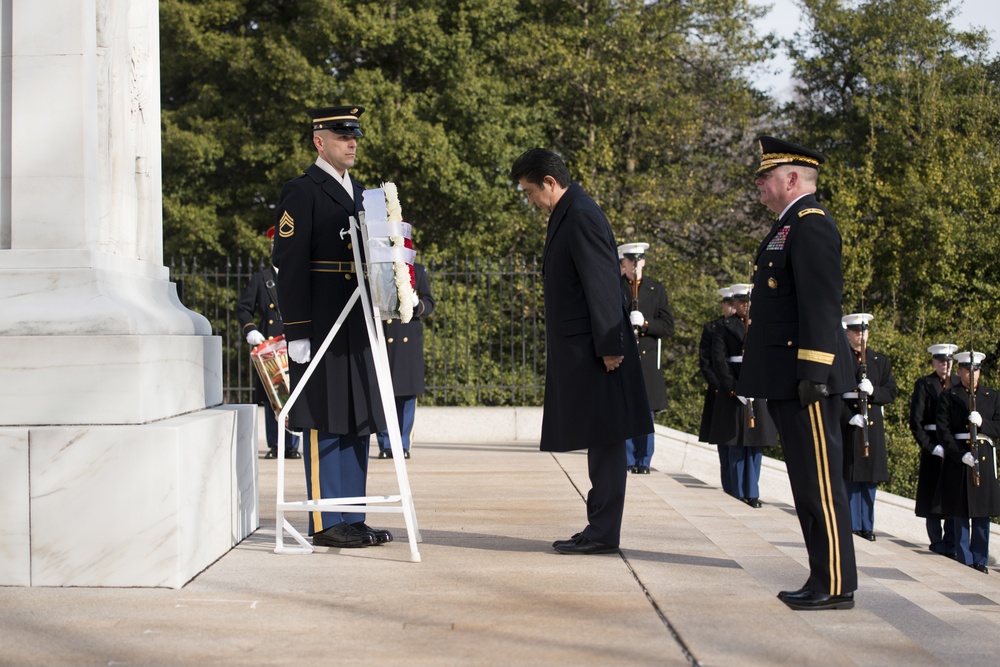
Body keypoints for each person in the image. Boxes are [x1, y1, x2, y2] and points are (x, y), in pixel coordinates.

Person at [509, 148, 651, 555]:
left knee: (606, 441)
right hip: (588, 348)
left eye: (530, 191)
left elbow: (602, 285)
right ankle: (598, 527)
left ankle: (603, 532)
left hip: (598, 350)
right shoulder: (570, 211)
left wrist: (610, 346)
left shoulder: (581, 214)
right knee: (600, 438)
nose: (530, 200)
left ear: (550, 183)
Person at [737, 136, 857, 611]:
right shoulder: (787, 227)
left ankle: (835, 584)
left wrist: (813, 371)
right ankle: (821, 575)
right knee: (805, 482)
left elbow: (821, 304)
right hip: (790, 377)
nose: (760, 186)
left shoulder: (811, 225)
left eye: (766, 177)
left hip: (809, 379)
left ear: (791, 179)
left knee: (820, 484)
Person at [271, 105, 391, 550]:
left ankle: (352, 516)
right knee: (324, 418)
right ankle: (325, 520)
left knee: (356, 418)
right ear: (319, 141)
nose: (352, 142)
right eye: (342, 136)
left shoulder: (362, 194)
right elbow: (288, 261)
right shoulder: (302, 192)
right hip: (322, 325)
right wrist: (297, 330)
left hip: (357, 324)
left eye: (355, 135)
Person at [709, 284, 778, 507]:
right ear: (735, 304)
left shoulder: (763, 324)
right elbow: (719, 361)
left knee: (754, 445)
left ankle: (752, 491)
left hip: (757, 389)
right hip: (735, 390)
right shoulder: (724, 326)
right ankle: (738, 491)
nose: (745, 306)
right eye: (741, 303)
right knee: (737, 444)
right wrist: (734, 389)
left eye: (749, 303)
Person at [236, 226, 301, 459]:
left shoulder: (298, 277)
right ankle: (276, 444)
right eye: (275, 246)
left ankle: (292, 444)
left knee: (293, 391)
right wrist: (250, 330)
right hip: (270, 347)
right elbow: (243, 308)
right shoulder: (260, 279)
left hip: (292, 345)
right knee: (273, 393)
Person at [933, 351, 1000, 573]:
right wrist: (960, 454)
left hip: (983, 455)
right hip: (961, 457)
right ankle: (964, 557)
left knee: (982, 511)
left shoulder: (993, 396)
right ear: (959, 371)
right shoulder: (949, 396)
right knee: (960, 510)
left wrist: (983, 424)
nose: (972, 374)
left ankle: (980, 558)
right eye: (967, 370)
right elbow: (944, 431)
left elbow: (998, 427)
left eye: (976, 370)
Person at [839, 313, 897, 542]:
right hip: (851, 423)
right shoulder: (841, 359)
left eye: (863, 331)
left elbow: (891, 392)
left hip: (871, 425)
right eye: (855, 331)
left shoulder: (879, 361)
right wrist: (847, 417)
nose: (859, 335)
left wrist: (874, 391)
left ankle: (867, 525)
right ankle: (852, 523)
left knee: (869, 478)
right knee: (852, 476)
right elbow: (833, 395)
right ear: (847, 333)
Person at [619, 242, 674, 474]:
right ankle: (628, 458)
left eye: (638, 260)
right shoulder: (616, 286)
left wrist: (646, 323)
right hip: (624, 355)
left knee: (647, 411)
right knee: (624, 409)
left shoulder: (655, 289)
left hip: (648, 359)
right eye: (630, 260)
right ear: (623, 263)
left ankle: (643, 460)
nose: (634, 265)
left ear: (644, 262)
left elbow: (667, 326)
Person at [374, 262, 435, 460]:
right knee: (383, 395)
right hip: (384, 336)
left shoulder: (416, 270)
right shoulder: (378, 269)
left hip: (407, 340)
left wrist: (417, 303)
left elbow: (430, 303)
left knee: (406, 396)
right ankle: (386, 444)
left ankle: (402, 443)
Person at [909, 343, 961, 557]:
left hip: (954, 448)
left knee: (952, 495)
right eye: (940, 361)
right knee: (932, 496)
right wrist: (931, 447)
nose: (944, 365)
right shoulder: (924, 384)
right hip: (934, 447)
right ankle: (936, 541)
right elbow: (916, 422)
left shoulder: (959, 383)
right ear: (933, 362)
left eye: (948, 361)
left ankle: (951, 543)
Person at [699, 287, 736, 494]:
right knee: (724, 441)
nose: (731, 308)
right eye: (728, 304)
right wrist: (720, 386)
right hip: (720, 392)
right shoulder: (713, 328)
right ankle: (729, 485)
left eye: (735, 304)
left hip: (739, 392)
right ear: (723, 305)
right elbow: (706, 362)